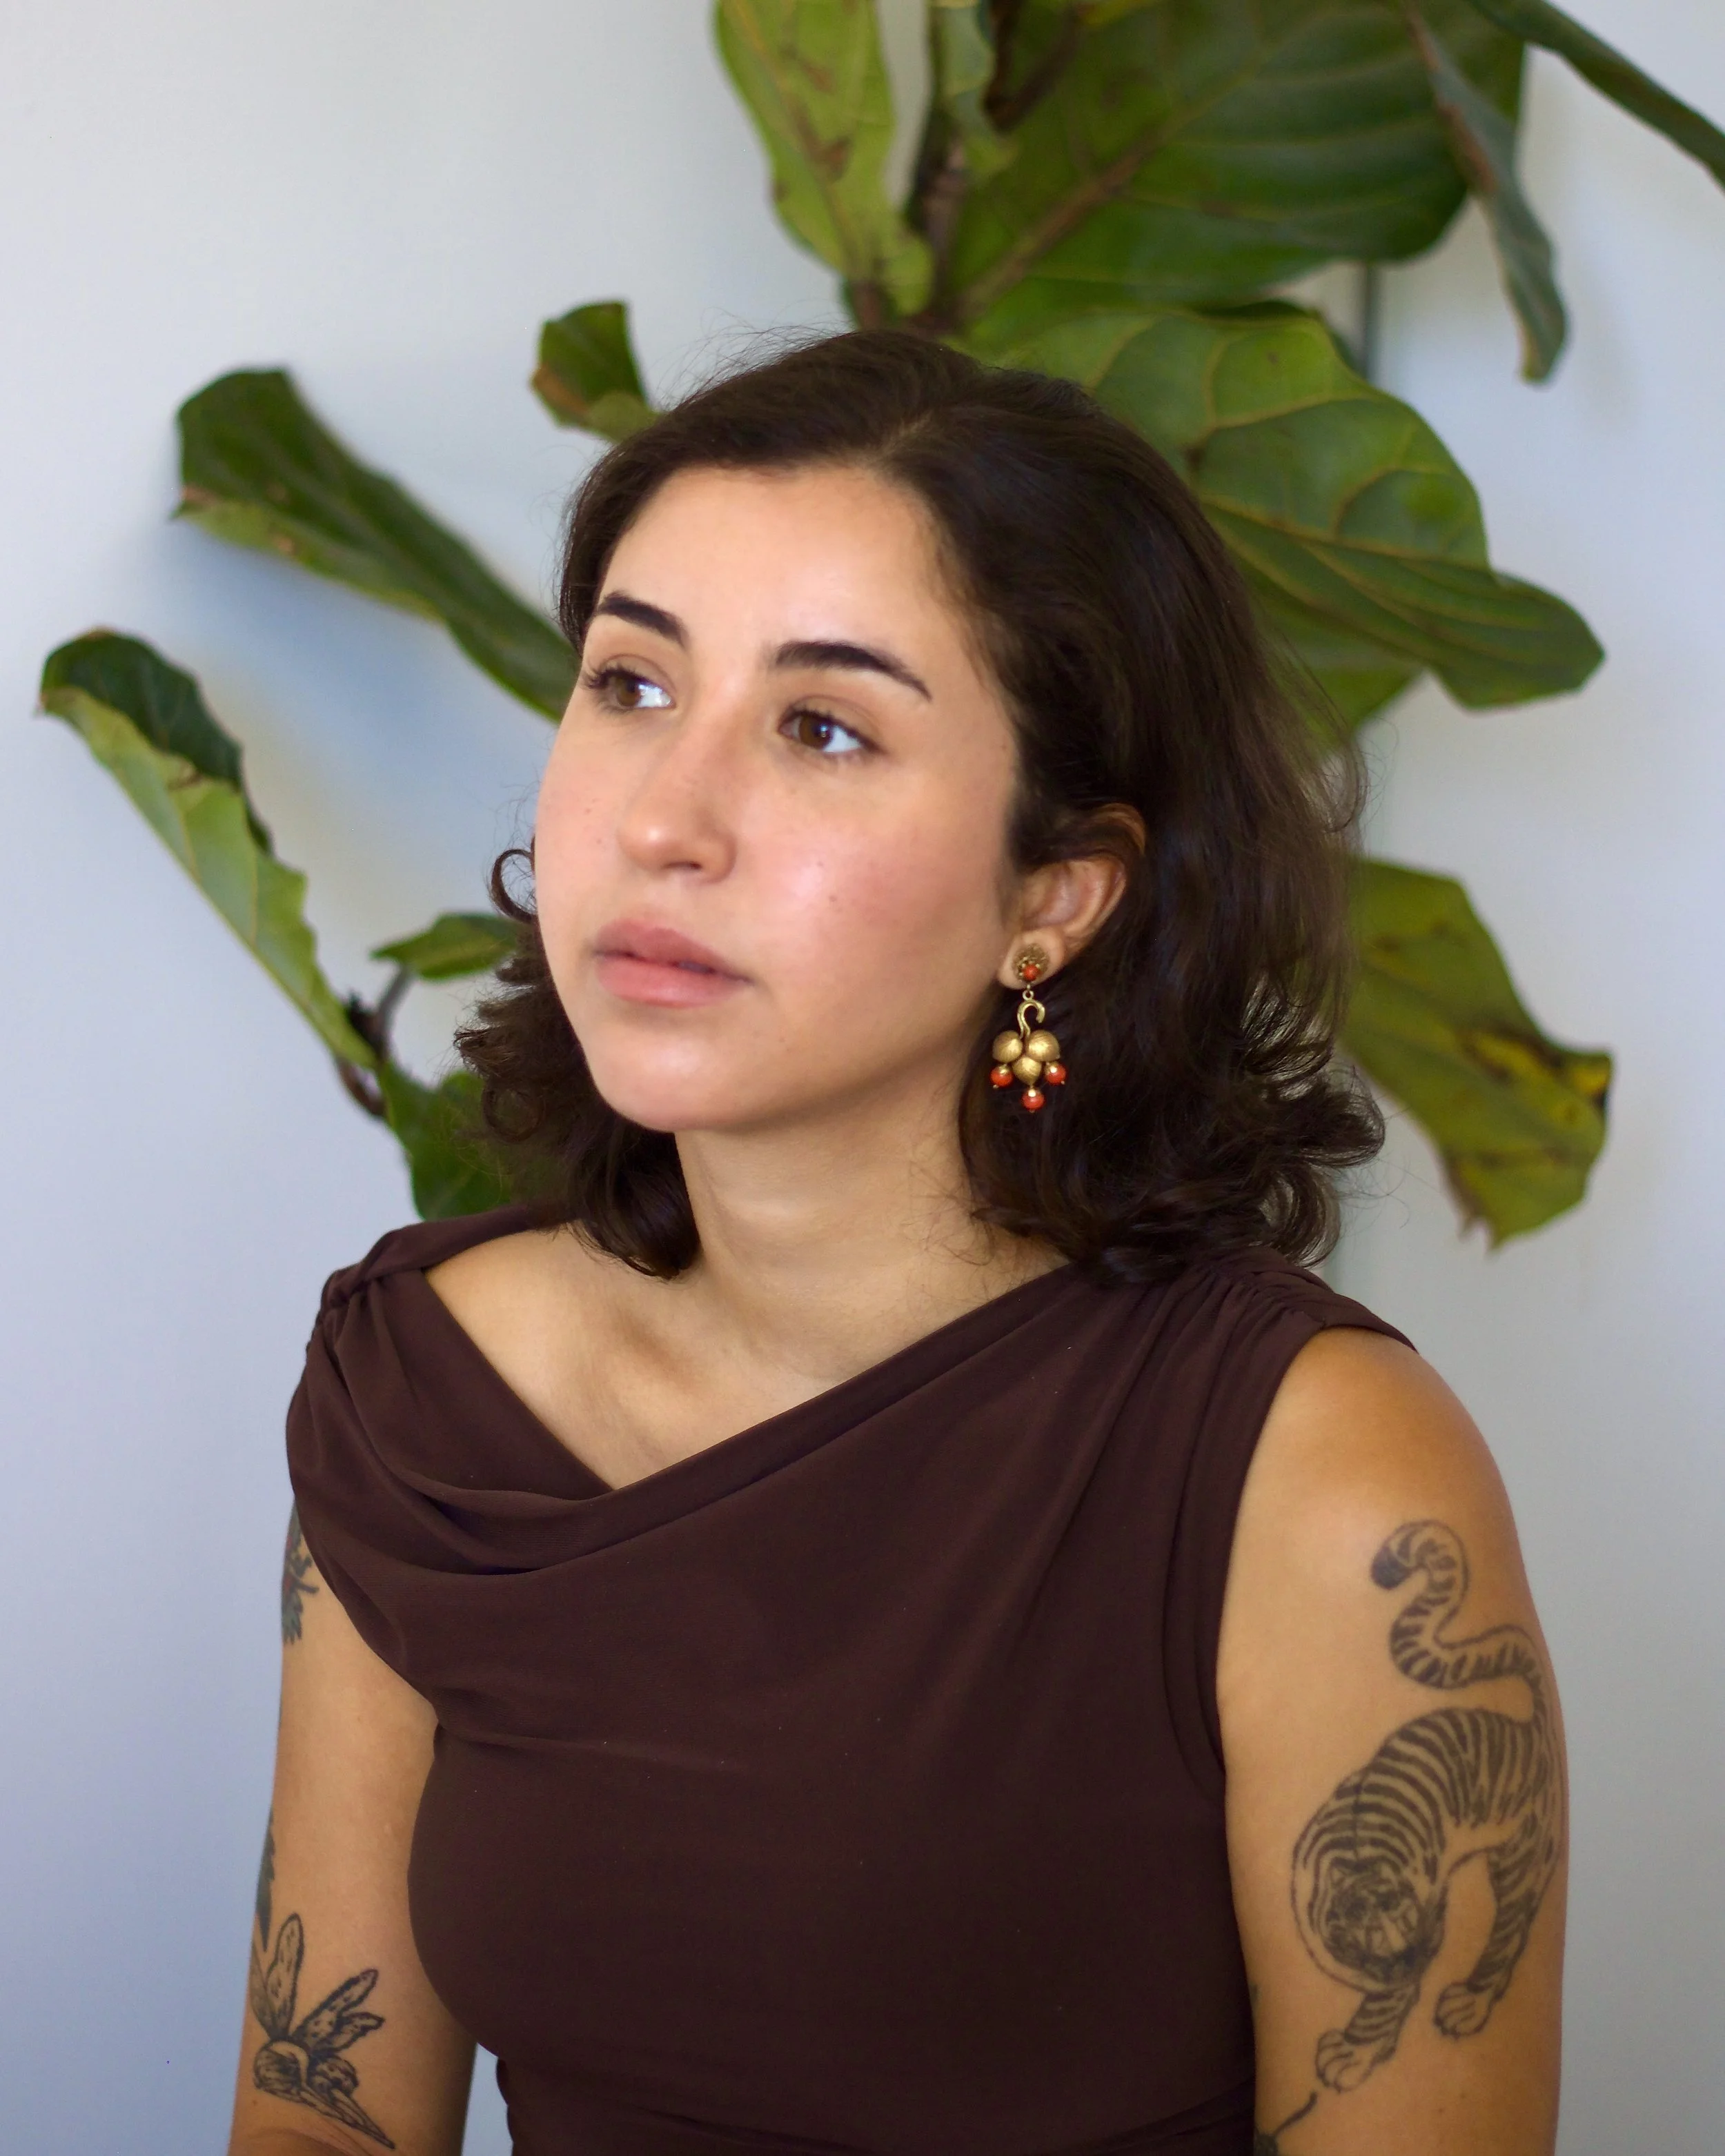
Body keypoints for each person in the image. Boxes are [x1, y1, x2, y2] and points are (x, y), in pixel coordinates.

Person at [227, 331, 1566, 2156]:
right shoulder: (423, 1397)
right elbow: (320, 2119)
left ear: (1055, 893)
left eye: (823, 727)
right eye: (629, 684)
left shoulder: (1311, 1480)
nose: (662, 819)